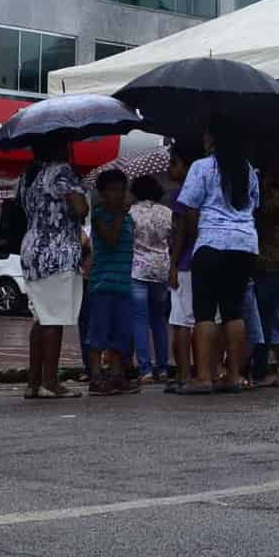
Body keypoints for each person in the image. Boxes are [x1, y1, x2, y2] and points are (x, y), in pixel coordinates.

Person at [177, 120, 260, 393]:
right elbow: (253, 206)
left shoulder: (202, 167)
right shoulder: (248, 169)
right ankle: (234, 375)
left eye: (205, 133)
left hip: (211, 243)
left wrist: (194, 238)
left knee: (204, 312)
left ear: (213, 138)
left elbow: (188, 207)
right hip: (244, 244)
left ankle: (203, 378)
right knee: (233, 310)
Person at [15, 138, 88, 400]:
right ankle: (50, 382)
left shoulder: (28, 176)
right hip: (56, 251)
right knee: (54, 319)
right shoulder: (61, 171)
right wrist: (79, 189)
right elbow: (80, 209)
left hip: (32, 249)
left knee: (41, 318)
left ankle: (33, 383)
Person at [86, 171, 137, 394]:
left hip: (124, 284)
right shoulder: (99, 215)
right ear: (103, 193)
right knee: (98, 332)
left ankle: (117, 375)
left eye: (122, 190)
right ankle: (96, 377)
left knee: (121, 333)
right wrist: (119, 214)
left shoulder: (129, 219)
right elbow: (111, 239)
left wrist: (123, 215)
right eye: (113, 190)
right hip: (102, 284)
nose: (118, 195)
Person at [250, 171, 279, 386]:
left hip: (253, 259)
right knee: (268, 320)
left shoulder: (246, 193)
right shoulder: (272, 196)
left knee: (261, 318)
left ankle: (259, 368)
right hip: (271, 263)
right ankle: (260, 370)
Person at [162, 141, 203, 392]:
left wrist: (173, 264)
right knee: (195, 320)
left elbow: (182, 231)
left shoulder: (181, 195)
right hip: (201, 261)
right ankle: (195, 372)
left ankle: (185, 375)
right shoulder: (205, 191)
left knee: (181, 322)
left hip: (186, 263)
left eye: (173, 163)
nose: (169, 169)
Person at [127, 174, 173, 383]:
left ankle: (145, 368)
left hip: (137, 270)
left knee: (139, 320)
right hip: (161, 269)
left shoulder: (131, 213)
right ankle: (162, 367)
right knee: (159, 321)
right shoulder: (167, 213)